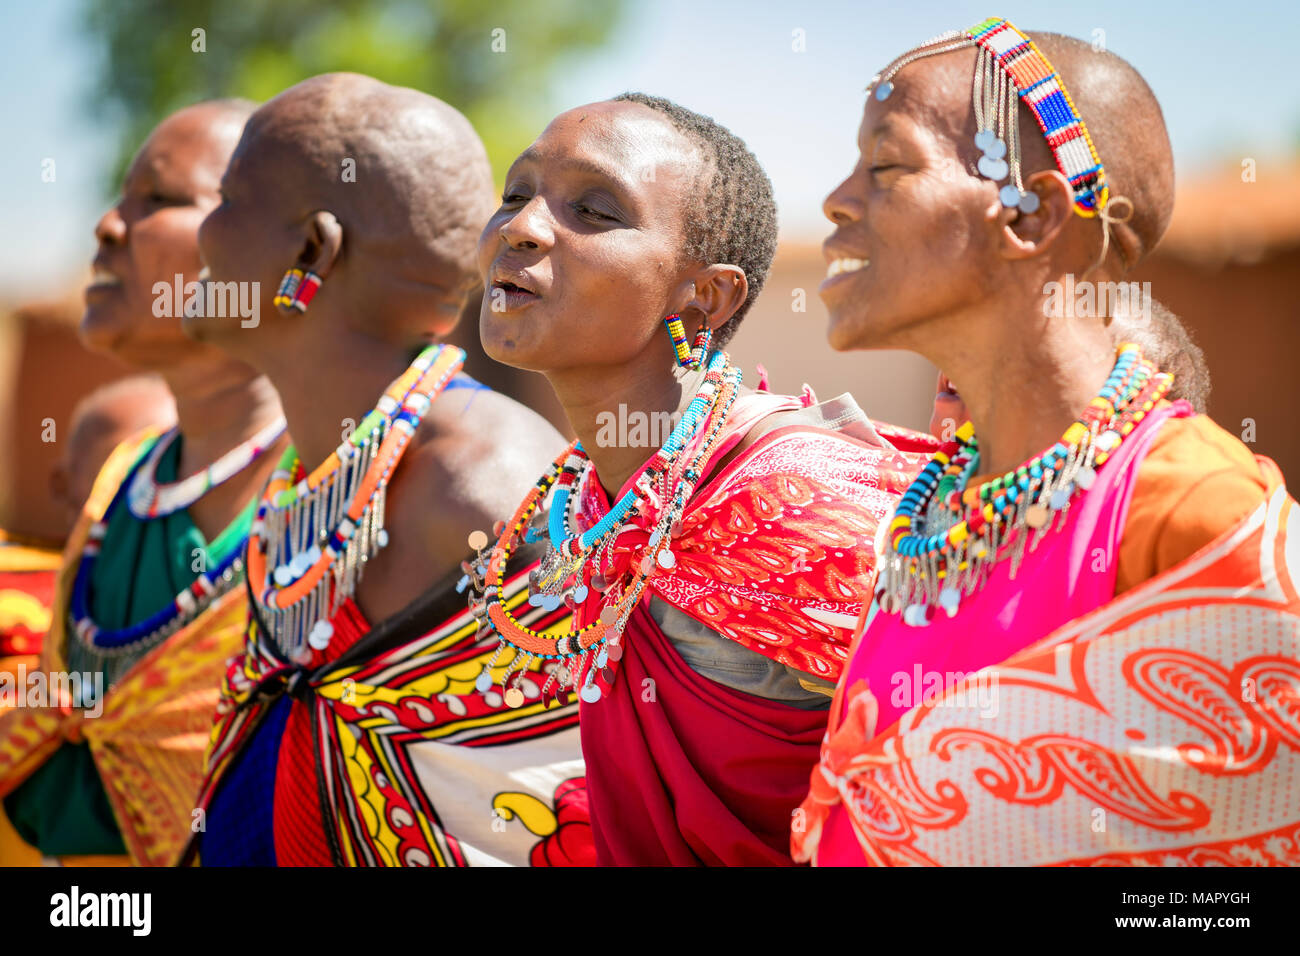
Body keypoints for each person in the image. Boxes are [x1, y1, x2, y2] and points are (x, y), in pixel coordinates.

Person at [796, 18, 1298, 866]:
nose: (838, 200)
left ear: (1032, 218)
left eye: (887, 165)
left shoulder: (1191, 510)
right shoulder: (930, 517)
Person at [471, 91, 934, 865]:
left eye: (593, 209)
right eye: (515, 195)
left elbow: (959, 768)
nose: (520, 228)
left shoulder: (793, 502)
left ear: (705, 297)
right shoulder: (587, 502)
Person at [184, 73, 584, 867]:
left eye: (228, 198)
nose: (202, 232)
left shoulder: (484, 487)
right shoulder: (307, 472)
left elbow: (564, 811)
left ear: (312, 250)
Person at [0, 99, 292, 867]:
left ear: (291, 250)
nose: (106, 225)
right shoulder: (120, 490)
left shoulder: (345, 498)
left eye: (159, 200)